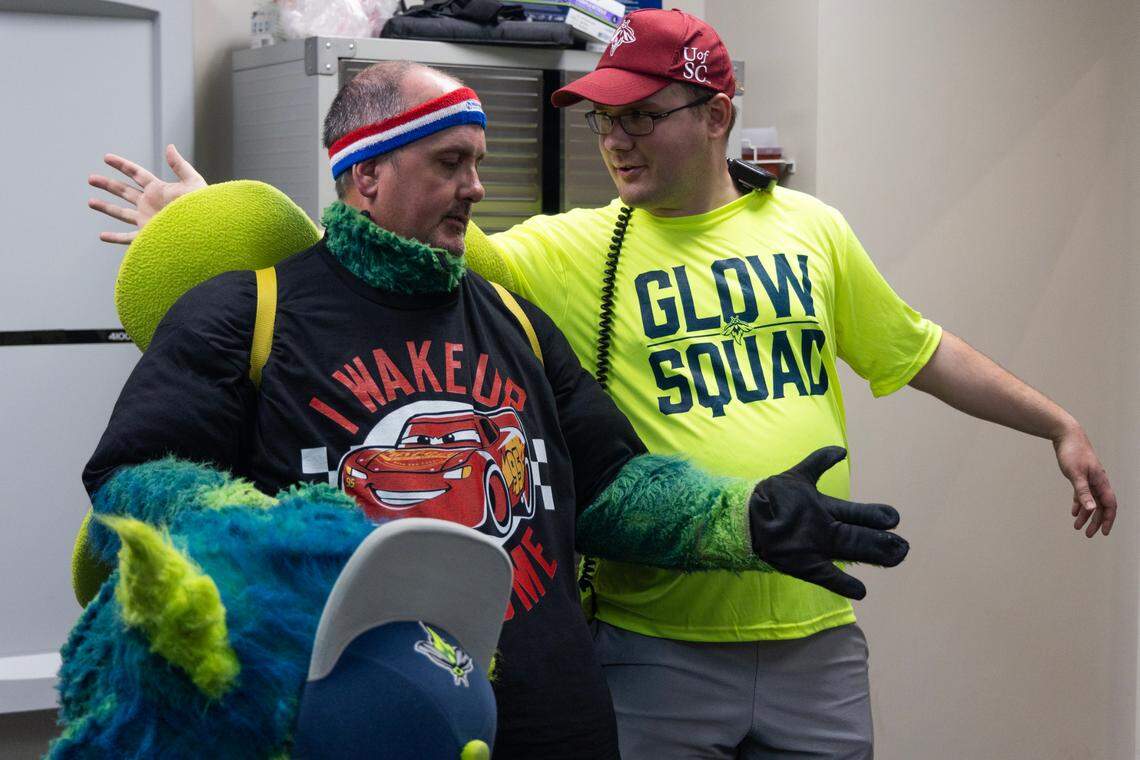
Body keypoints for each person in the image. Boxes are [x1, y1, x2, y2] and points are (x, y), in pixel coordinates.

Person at [90, 11, 1118, 756]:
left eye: (482, 160)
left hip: (562, 715)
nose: (479, 190)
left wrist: (747, 518)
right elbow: (135, 487)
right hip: (361, 720)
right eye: (452, 163)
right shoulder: (252, 316)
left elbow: (616, 484)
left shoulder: (519, 320)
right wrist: (295, 548)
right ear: (369, 174)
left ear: (715, 117)